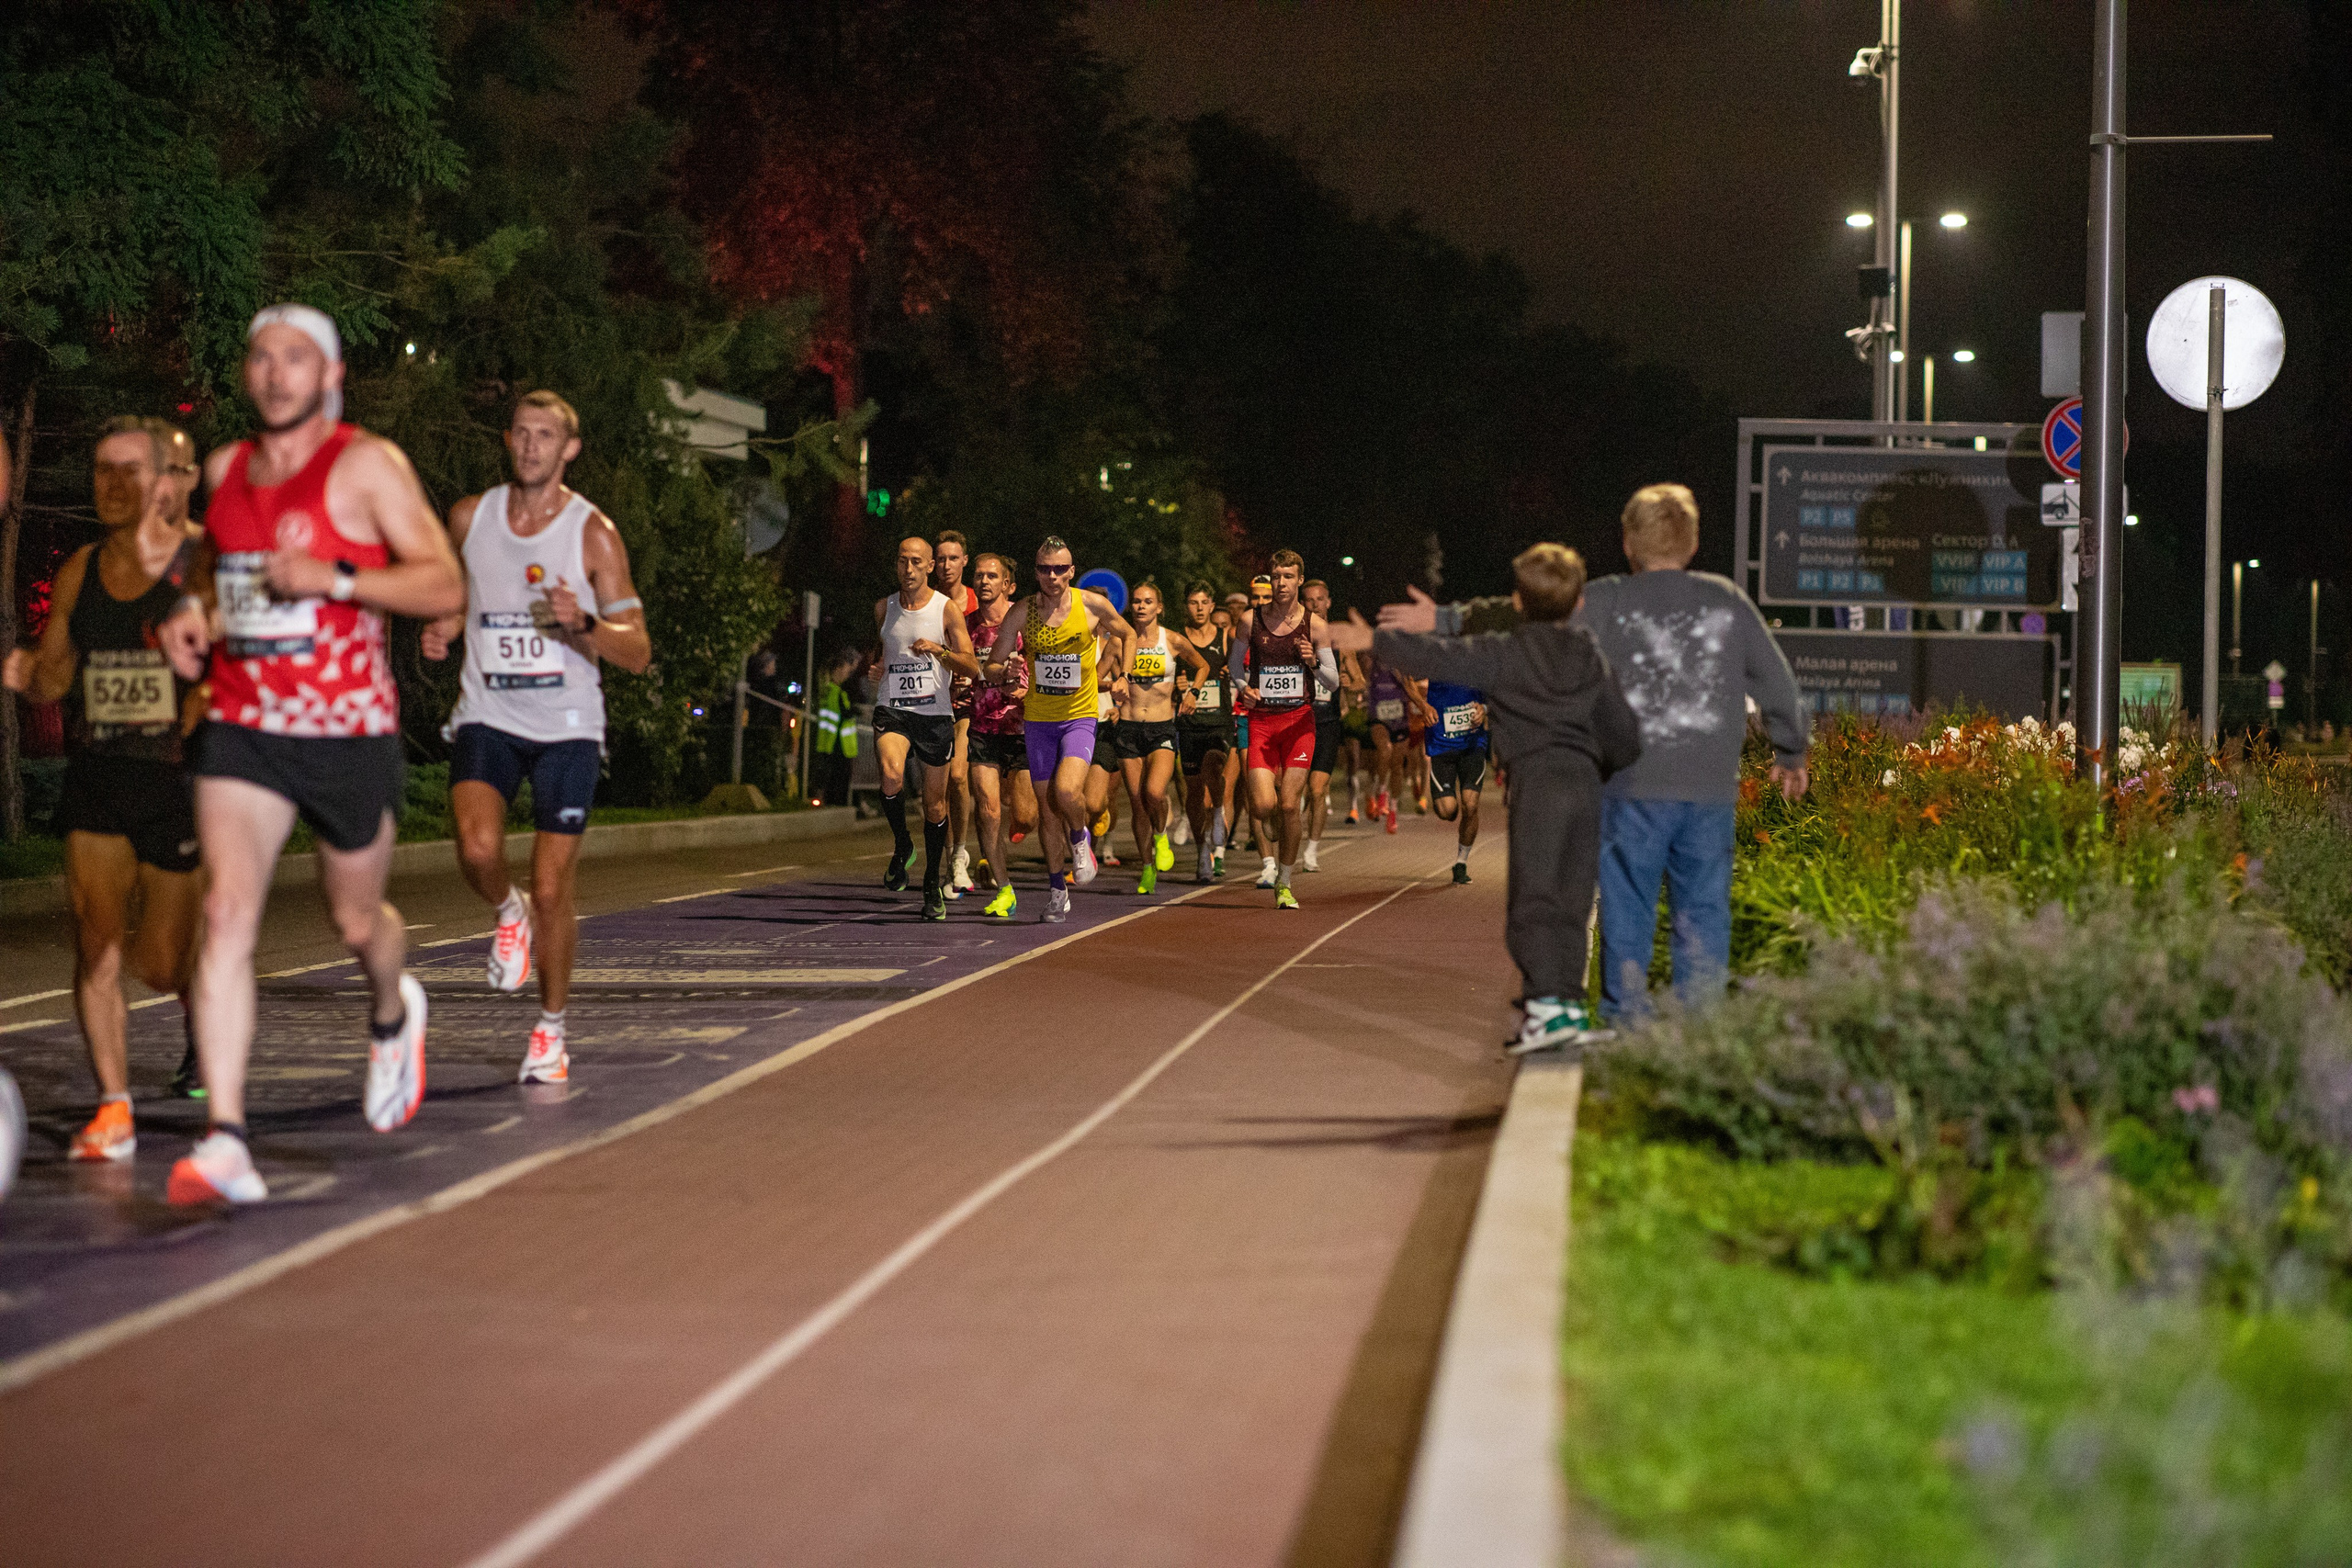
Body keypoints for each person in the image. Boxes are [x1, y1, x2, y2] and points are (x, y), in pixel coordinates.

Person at [157, 303, 467, 1203]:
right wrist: (192, 619)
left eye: (296, 358)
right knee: (226, 913)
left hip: (347, 732)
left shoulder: (367, 465)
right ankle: (225, 1140)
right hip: (246, 722)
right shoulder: (225, 469)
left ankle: (389, 1009)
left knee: (355, 922)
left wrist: (335, 577)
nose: (276, 372)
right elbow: (219, 576)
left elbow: (442, 580)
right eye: (261, 356)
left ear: (329, 377)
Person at [421, 391, 650, 1085]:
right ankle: (504, 910)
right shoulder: (471, 516)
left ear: (569, 448)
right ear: (508, 439)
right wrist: (450, 623)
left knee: (554, 888)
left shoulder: (593, 535)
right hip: (489, 712)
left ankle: (550, 1030)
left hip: (568, 726)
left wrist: (583, 623)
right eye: (521, 433)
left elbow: (637, 649)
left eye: (545, 436)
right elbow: (463, 589)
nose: (530, 446)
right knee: (477, 846)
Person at [1339, 542, 1643, 1053]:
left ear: (1518, 604)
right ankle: (1566, 1004)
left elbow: (1439, 655)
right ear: (1580, 604)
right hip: (1585, 786)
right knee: (1571, 898)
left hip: (1539, 786)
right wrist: (1603, 765)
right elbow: (1625, 737)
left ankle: (1545, 1008)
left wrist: (1376, 639)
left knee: (1532, 900)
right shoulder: (1591, 653)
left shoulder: (1507, 651)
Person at [4, 416, 207, 1159]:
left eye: (129, 470)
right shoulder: (80, 570)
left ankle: (201, 1004)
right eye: (101, 471)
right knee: (94, 945)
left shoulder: (205, 562)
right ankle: (114, 1108)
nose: (113, 485)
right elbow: (56, 674)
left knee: (160, 961)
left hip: (178, 781)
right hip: (97, 778)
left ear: (163, 480)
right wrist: (30, 675)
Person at [983, 536, 1135, 922]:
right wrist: (1008, 673)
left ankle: (1081, 837)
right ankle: (1056, 891)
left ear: (1071, 570)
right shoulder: (1022, 612)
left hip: (1079, 716)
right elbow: (992, 666)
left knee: (1067, 791)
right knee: (1047, 815)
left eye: (1059, 569)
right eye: (1044, 569)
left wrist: (1125, 676)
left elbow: (1128, 634)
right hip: (1038, 721)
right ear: (1035, 572)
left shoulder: (1091, 605)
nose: (1052, 576)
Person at [868, 536, 981, 920]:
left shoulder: (946, 609)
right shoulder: (884, 607)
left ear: (930, 565)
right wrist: (875, 668)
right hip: (893, 710)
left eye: (917, 562)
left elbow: (972, 666)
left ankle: (932, 882)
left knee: (935, 805)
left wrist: (941, 652)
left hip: (934, 714)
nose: (909, 569)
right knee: (890, 773)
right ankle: (902, 846)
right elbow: (883, 652)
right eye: (903, 561)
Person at [1230, 552, 1337, 909]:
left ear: (1299, 580)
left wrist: (1313, 661)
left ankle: (1285, 883)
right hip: (1261, 722)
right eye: (1276, 576)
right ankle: (1274, 821)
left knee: (1290, 804)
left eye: (1288, 577)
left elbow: (1333, 682)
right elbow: (1234, 668)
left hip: (1299, 723)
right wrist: (1244, 686)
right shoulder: (1250, 621)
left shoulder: (1316, 626)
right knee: (1262, 806)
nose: (1281, 583)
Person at [1106, 581, 1210, 894]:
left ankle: (1162, 835)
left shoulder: (1174, 640)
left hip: (1162, 726)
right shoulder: (1119, 642)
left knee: (1154, 793)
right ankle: (1148, 867)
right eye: (1136, 601)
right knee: (1137, 803)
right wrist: (1112, 689)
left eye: (1147, 602)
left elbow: (1202, 665)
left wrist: (1192, 692)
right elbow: (1097, 677)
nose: (1140, 606)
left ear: (1159, 607)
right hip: (1127, 727)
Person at [964, 553, 1035, 917]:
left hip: (1022, 727)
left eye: (993, 576)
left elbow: (1047, 666)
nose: (984, 581)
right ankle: (1004, 887)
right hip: (982, 728)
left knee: (1025, 816)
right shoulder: (964, 626)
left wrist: (1027, 688)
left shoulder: (1026, 622)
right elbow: (956, 666)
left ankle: (1011, 831)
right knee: (989, 809)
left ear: (1009, 585)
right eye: (978, 575)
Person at [1299, 578, 1363, 872]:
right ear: (1303, 603)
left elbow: (1360, 680)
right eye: (1309, 600)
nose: (1314, 605)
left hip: (1327, 721)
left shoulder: (1340, 643)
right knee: (1288, 790)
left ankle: (1311, 850)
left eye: (1320, 599)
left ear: (1328, 602)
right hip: (1297, 721)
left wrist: (1350, 683)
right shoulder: (1296, 637)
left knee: (1316, 789)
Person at [1178, 583, 1236, 881]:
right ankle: (1202, 849)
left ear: (1212, 605)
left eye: (1204, 602)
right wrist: (1176, 687)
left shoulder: (1226, 637)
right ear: (1186, 606)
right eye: (1193, 602)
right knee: (1193, 790)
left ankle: (1217, 814)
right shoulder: (1178, 640)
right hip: (1189, 723)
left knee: (1214, 764)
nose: (1199, 608)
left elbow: (1244, 669)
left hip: (1219, 722)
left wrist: (1232, 671)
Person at [933, 530, 980, 898]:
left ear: (965, 561)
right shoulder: (926, 602)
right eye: (942, 559)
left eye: (954, 558)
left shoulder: (980, 602)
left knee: (960, 775)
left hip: (972, 704)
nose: (947, 565)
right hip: (932, 703)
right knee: (939, 786)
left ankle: (961, 853)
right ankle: (950, 857)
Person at [1419, 677, 1489, 884]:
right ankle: (1452, 807)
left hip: (1473, 746)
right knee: (1447, 810)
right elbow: (1403, 676)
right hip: (1442, 746)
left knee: (1471, 804)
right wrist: (1422, 705)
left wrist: (1484, 708)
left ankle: (1461, 862)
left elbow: (1502, 691)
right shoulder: (1434, 655)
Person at [808, 648, 860, 807]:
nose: (847, 673)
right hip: (840, 745)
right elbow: (845, 714)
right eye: (845, 669)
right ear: (837, 669)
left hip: (827, 742)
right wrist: (856, 711)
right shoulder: (836, 692)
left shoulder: (827, 691)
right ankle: (837, 804)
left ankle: (826, 800)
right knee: (839, 778)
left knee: (829, 777)